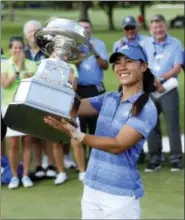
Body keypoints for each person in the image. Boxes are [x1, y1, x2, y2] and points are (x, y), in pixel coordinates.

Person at [44, 43, 157, 219]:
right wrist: (62, 78)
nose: (122, 67)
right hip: (92, 188)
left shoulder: (145, 108)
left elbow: (118, 145)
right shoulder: (110, 98)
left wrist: (77, 135)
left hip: (120, 195)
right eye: (118, 63)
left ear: (143, 66)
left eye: (129, 61)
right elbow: (72, 107)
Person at [143, 14, 183, 172]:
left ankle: (176, 159)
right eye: (155, 27)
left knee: (172, 124)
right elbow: (142, 65)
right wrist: (151, 81)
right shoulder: (145, 43)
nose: (158, 30)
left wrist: (159, 80)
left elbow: (177, 67)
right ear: (150, 29)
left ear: (166, 26)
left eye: (161, 26)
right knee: (151, 124)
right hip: (150, 88)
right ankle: (155, 158)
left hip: (168, 88)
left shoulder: (175, 43)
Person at [1, 37, 37, 189]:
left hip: (27, 106)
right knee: (14, 143)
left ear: (24, 49)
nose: (17, 51)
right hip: (10, 106)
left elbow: (31, 83)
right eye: (15, 48)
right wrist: (18, 68)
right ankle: (15, 176)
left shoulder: (32, 64)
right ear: (10, 49)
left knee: (28, 140)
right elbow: (6, 84)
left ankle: (26, 175)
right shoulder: (4, 64)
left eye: (20, 48)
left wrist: (23, 68)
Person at [23, 20, 57, 178]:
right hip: (28, 97)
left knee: (48, 131)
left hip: (47, 95)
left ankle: (50, 164)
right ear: (25, 35)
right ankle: (38, 166)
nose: (33, 34)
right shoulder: (22, 52)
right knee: (33, 134)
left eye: (36, 30)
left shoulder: (48, 50)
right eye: (30, 31)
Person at [76, 18, 109, 160]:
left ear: (91, 29)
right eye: (82, 27)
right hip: (79, 90)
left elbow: (105, 65)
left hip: (95, 89)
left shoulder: (99, 44)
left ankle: (97, 157)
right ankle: (83, 160)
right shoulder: (74, 45)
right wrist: (81, 54)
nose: (85, 30)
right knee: (80, 127)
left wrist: (94, 52)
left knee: (96, 126)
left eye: (87, 27)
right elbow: (71, 66)